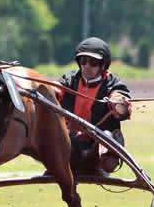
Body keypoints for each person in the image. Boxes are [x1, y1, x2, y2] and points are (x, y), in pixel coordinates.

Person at [56, 37, 132, 175]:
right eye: (83, 61)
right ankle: (57, 165)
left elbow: (122, 102)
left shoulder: (113, 84)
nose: (87, 66)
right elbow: (54, 92)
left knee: (107, 135)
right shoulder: (69, 80)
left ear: (103, 65)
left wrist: (117, 103)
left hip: (99, 147)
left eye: (93, 62)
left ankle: (98, 166)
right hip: (71, 144)